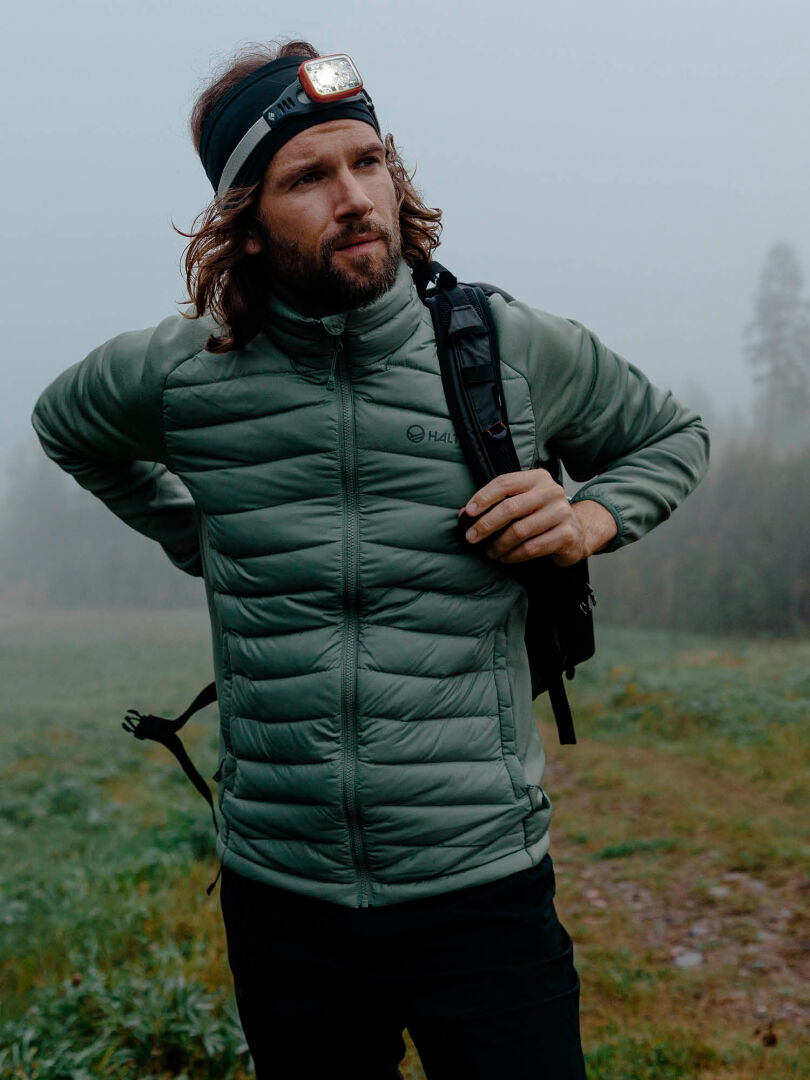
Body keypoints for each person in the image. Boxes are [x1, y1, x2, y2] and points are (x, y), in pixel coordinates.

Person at [31, 38, 709, 1080]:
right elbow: (65, 425)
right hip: (281, 893)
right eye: (308, 177)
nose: (354, 198)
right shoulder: (183, 373)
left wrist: (589, 519)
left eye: (369, 162)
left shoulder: (506, 350)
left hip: (481, 880)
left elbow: (673, 437)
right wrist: (195, 534)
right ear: (245, 222)